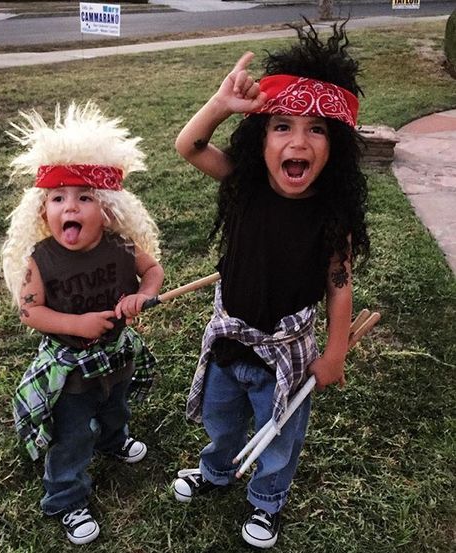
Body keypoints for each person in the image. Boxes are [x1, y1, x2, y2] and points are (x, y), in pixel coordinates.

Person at [172, 21, 370, 549]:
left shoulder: (332, 215)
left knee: (279, 437)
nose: (298, 141)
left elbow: (340, 284)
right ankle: (215, 472)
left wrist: (334, 354)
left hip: (286, 350)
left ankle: (266, 501)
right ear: (261, 139)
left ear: (337, 148)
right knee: (220, 419)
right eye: (281, 125)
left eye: (316, 129)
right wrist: (219, 104)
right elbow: (189, 145)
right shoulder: (244, 186)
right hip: (230, 338)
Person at [1, 102, 164, 545]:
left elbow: (153, 273)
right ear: (42, 212)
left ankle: (114, 440)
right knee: (72, 434)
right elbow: (30, 311)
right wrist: (77, 323)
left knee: (116, 405)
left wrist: (142, 295)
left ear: (107, 209)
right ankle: (66, 498)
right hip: (70, 369)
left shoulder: (122, 247)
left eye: (84, 197)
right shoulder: (41, 260)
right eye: (58, 198)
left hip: (114, 357)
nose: (69, 207)